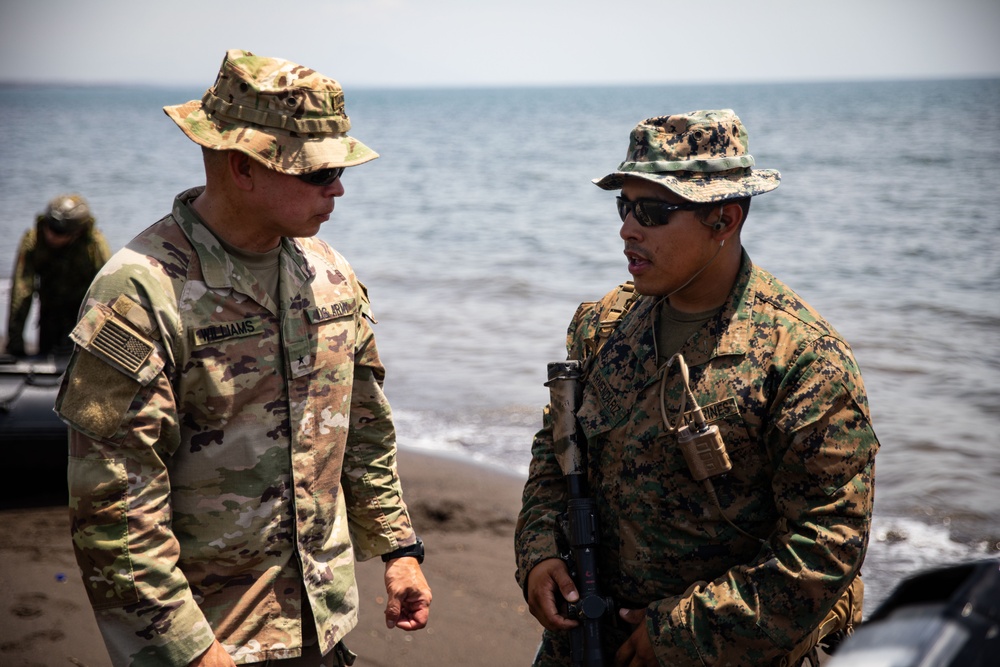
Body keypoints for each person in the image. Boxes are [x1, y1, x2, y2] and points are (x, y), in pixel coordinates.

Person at [55, 49, 431, 667]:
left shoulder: (330, 276)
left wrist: (399, 551)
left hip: (321, 629)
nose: (337, 188)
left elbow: (361, 428)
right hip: (208, 637)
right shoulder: (139, 296)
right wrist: (192, 651)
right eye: (318, 173)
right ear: (242, 168)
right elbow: (113, 512)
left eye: (341, 170)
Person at [515, 110, 878, 666]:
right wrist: (539, 552)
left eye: (654, 211)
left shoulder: (803, 361)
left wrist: (683, 634)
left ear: (724, 219)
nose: (627, 229)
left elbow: (828, 545)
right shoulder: (605, 325)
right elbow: (555, 453)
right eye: (624, 207)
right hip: (586, 641)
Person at [4, 193, 110, 357]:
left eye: (60, 232)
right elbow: (21, 290)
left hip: (82, 314)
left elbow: (108, 289)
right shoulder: (33, 241)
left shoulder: (94, 246)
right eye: (50, 227)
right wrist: (15, 343)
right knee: (44, 359)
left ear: (77, 233)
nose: (51, 235)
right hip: (49, 312)